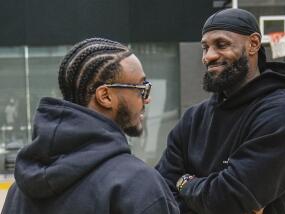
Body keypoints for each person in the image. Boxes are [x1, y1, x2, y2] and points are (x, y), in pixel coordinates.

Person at [156, 8, 285, 214]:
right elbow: (159, 191)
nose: (209, 56)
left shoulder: (284, 114)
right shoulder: (193, 118)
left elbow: (227, 199)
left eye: (222, 45)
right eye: (205, 47)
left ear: (253, 44)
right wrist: (207, 192)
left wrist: (184, 183)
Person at [2, 38, 179, 214]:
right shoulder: (138, 186)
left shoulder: (19, 190)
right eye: (140, 88)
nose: (147, 98)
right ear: (105, 96)